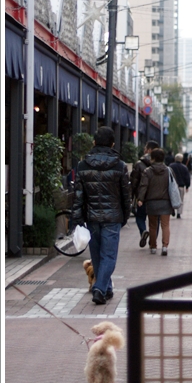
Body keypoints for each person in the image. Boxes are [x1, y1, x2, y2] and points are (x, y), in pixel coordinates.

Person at [72, 127, 130, 305]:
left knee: (96, 255)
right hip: (113, 217)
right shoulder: (119, 165)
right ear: (113, 144)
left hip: (91, 217)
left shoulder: (83, 165)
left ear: (94, 142)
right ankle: (99, 288)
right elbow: (125, 194)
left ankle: (105, 288)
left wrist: (77, 217)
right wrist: (125, 215)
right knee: (109, 256)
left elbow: (78, 195)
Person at [137, 148, 174, 256]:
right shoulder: (168, 170)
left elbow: (144, 186)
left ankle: (153, 247)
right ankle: (165, 247)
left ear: (152, 158)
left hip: (151, 202)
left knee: (153, 226)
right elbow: (172, 187)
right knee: (165, 225)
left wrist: (140, 199)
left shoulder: (147, 171)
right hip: (165, 202)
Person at [130, 140, 159, 248]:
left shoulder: (139, 164)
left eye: (146, 148)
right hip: (156, 197)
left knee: (140, 217)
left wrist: (132, 195)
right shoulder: (160, 164)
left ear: (150, 150)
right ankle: (153, 241)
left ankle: (143, 231)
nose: (144, 150)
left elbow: (134, 182)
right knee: (156, 220)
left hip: (141, 197)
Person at [169, 153, 191, 218]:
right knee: (180, 200)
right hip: (181, 186)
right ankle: (179, 213)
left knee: (171, 198)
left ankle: (172, 210)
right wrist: (187, 186)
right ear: (181, 159)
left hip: (172, 186)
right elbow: (187, 177)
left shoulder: (171, 166)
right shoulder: (184, 167)